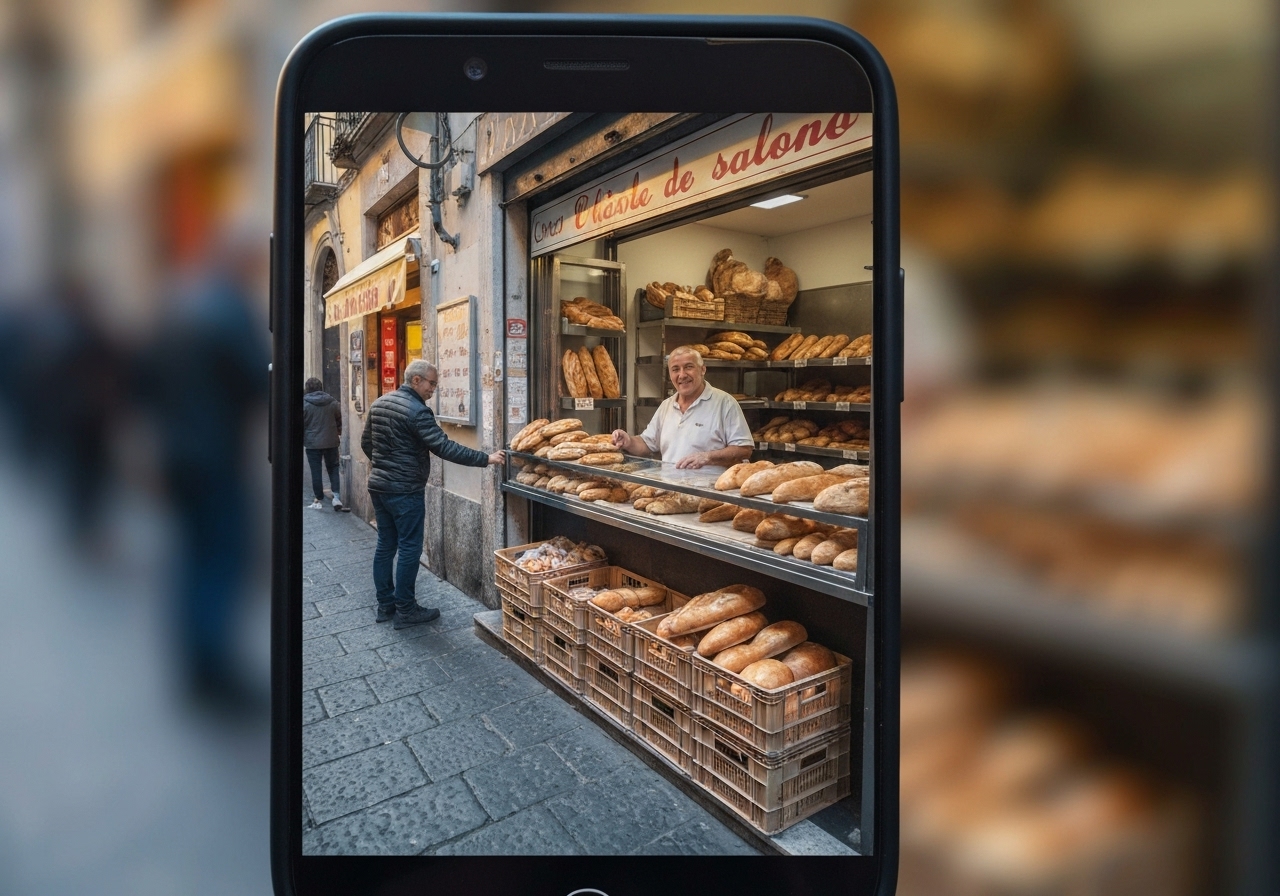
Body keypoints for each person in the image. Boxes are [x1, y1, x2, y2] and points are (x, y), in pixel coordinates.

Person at [361, 359, 505, 629]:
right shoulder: (417, 411)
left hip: (379, 486)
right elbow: (444, 447)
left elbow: (366, 442)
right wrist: (486, 459)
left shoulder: (380, 402)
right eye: (432, 383)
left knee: (385, 545)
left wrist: (384, 466)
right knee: (409, 548)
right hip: (404, 490)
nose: (433, 390)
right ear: (416, 380)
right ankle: (406, 609)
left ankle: (385, 605)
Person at [611, 345, 753, 469]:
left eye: (688, 367)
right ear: (670, 374)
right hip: (671, 490)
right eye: (675, 369)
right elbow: (647, 444)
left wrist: (708, 457)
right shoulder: (666, 406)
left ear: (703, 370)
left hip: (710, 492)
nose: (682, 375)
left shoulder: (724, 403)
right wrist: (628, 441)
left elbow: (744, 449)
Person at [302, 377, 346, 511]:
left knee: (316, 470)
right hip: (331, 441)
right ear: (321, 387)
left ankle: (318, 498)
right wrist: (336, 431)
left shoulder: (304, 403)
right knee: (333, 468)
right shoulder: (332, 402)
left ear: (307, 388)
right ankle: (336, 497)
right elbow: (339, 419)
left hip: (312, 443)